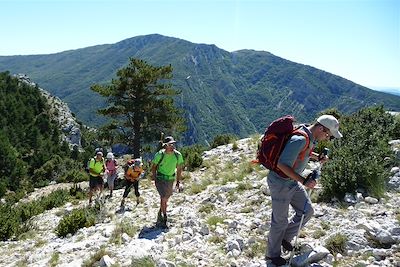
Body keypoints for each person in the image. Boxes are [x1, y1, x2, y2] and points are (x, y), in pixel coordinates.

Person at [265, 115, 342, 266]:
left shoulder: (309, 136)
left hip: (291, 182)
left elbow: (303, 153)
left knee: (307, 211)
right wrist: (304, 181)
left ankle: (284, 239)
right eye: (328, 135)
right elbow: (282, 164)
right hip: (280, 183)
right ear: (321, 128)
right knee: (279, 221)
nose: (327, 138)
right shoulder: (300, 139)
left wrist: (317, 157)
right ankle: (272, 256)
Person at [151, 136, 184, 228]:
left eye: (173, 144)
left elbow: (179, 168)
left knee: (166, 197)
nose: (172, 146)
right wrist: (154, 178)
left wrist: (178, 181)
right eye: (170, 144)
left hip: (170, 179)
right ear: (165, 145)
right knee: (164, 197)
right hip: (160, 179)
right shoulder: (159, 155)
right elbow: (153, 166)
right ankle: (165, 218)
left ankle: (161, 211)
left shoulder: (178, 155)